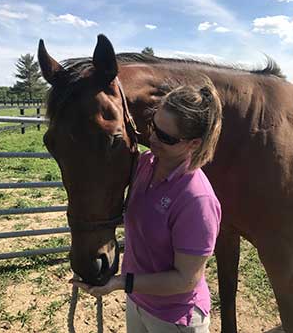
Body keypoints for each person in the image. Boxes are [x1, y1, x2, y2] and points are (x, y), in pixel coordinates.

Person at [71, 74, 222, 333]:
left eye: (166, 137)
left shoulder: (197, 200)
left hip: (174, 318)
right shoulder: (144, 165)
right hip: (138, 301)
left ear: (194, 144)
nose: (152, 139)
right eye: (153, 126)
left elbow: (186, 280)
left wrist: (121, 283)